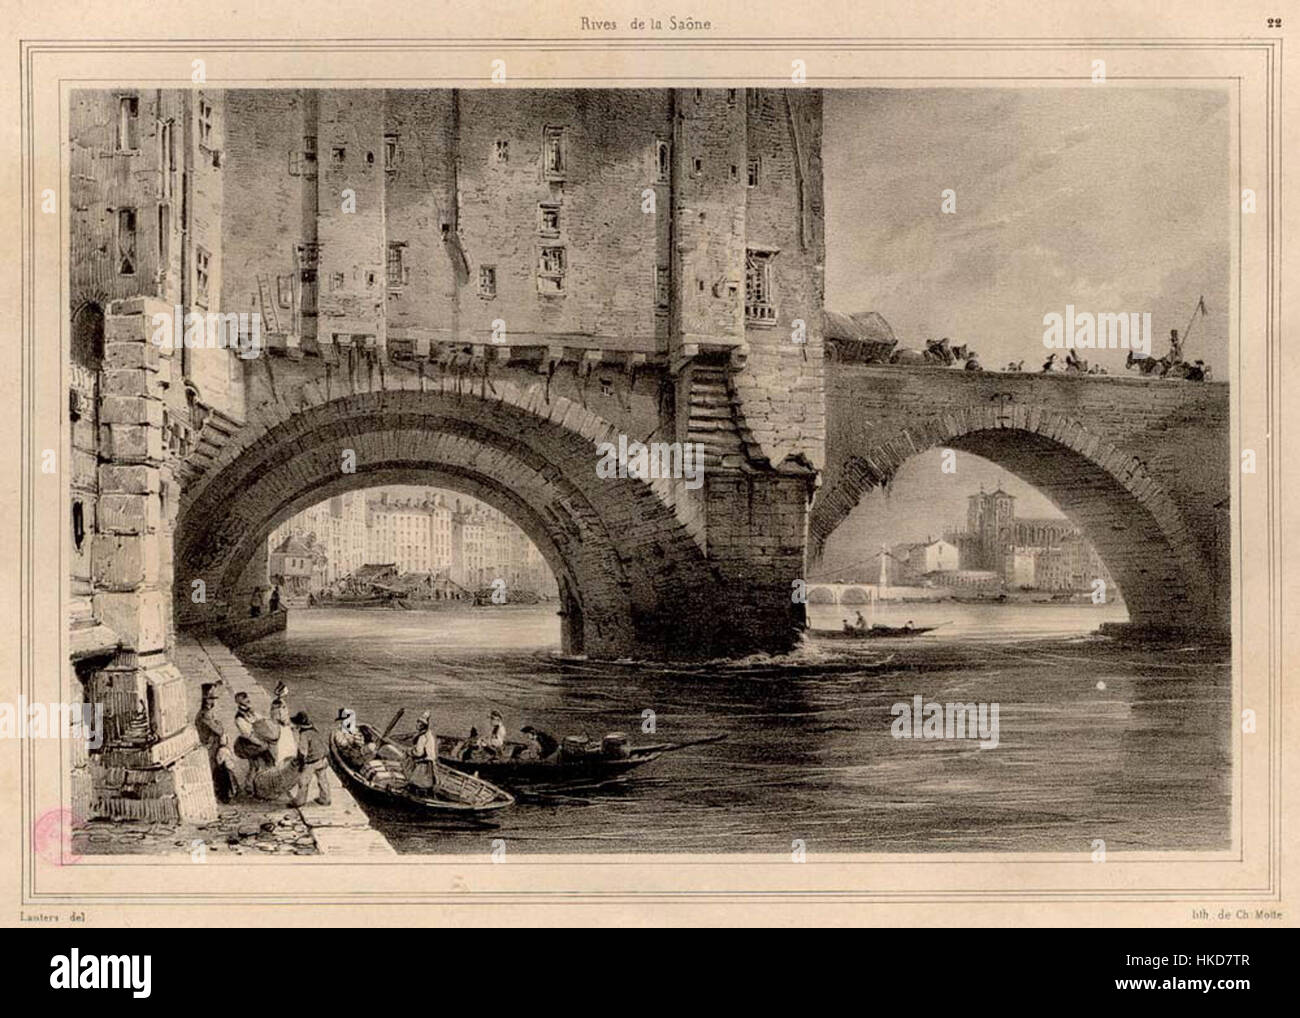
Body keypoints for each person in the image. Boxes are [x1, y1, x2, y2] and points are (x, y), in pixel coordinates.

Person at [233, 691, 274, 793]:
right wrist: (261, 743)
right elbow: (248, 735)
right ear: (239, 703)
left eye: (248, 700)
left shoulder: (251, 712)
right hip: (248, 744)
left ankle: (264, 785)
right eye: (245, 702)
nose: (248, 703)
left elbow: (261, 719)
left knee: (269, 762)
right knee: (255, 765)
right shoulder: (239, 718)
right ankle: (250, 786)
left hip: (258, 741)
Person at [290, 711, 331, 807]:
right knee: (323, 780)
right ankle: (325, 799)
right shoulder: (315, 730)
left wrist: (300, 763)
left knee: (303, 782)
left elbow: (303, 752)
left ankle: (299, 802)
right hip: (322, 759)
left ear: (299, 725)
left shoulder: (304, 735)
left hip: (311, 762)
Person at [407, 712, 439, 790]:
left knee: (415, 782)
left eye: (419, 723)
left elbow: (419, 753)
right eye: (417, 722)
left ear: (422, 726)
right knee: (426, 783)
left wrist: (410, 752)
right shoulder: (429, 734)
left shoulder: (422, 737)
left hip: (424, 764)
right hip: (430, 763)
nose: (417, 725)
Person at [270, 682, 297, 766]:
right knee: (285, 742)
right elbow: (283, 717)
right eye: (286, 690)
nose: (287, 691)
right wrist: (290, 724)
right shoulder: (281, 704)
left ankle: (281, 759)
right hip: (282, 726)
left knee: (280, 744)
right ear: (282, 692)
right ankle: (285, 759)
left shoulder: (275, 702)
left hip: (276, 725)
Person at [213, 734, 242, 803]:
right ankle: (226, 797)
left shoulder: (225, 750)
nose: (222, 741)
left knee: (230, 783)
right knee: (226, 783)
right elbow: (219, 760)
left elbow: (230, 759)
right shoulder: (222, 750)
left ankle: (229, 796)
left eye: (224, 740)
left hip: (227, 768)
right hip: (224, 768)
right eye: (221, 740)